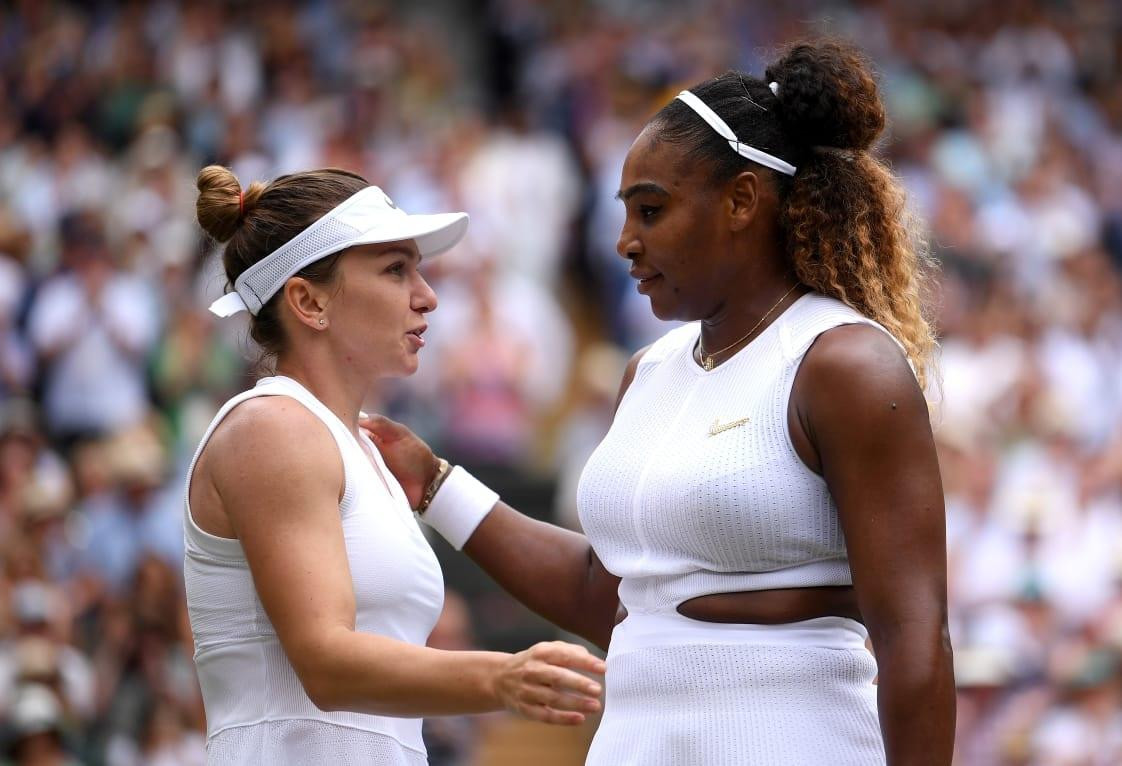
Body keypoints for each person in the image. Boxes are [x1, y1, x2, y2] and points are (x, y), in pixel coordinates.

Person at [364, 40, 954, 765]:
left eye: (652, 211)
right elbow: (604, 594)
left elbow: (914, 636)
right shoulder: (647, 371)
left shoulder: (845, 363)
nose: (625, 243)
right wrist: (432, 484)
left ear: (742, 201)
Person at [185, 166, 605, 766]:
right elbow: (327, 663)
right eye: (394, 269)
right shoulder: (272, 428)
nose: (427, 296)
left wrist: (436, 484)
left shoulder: (361, 450)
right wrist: (501, 676)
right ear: (309, 301)